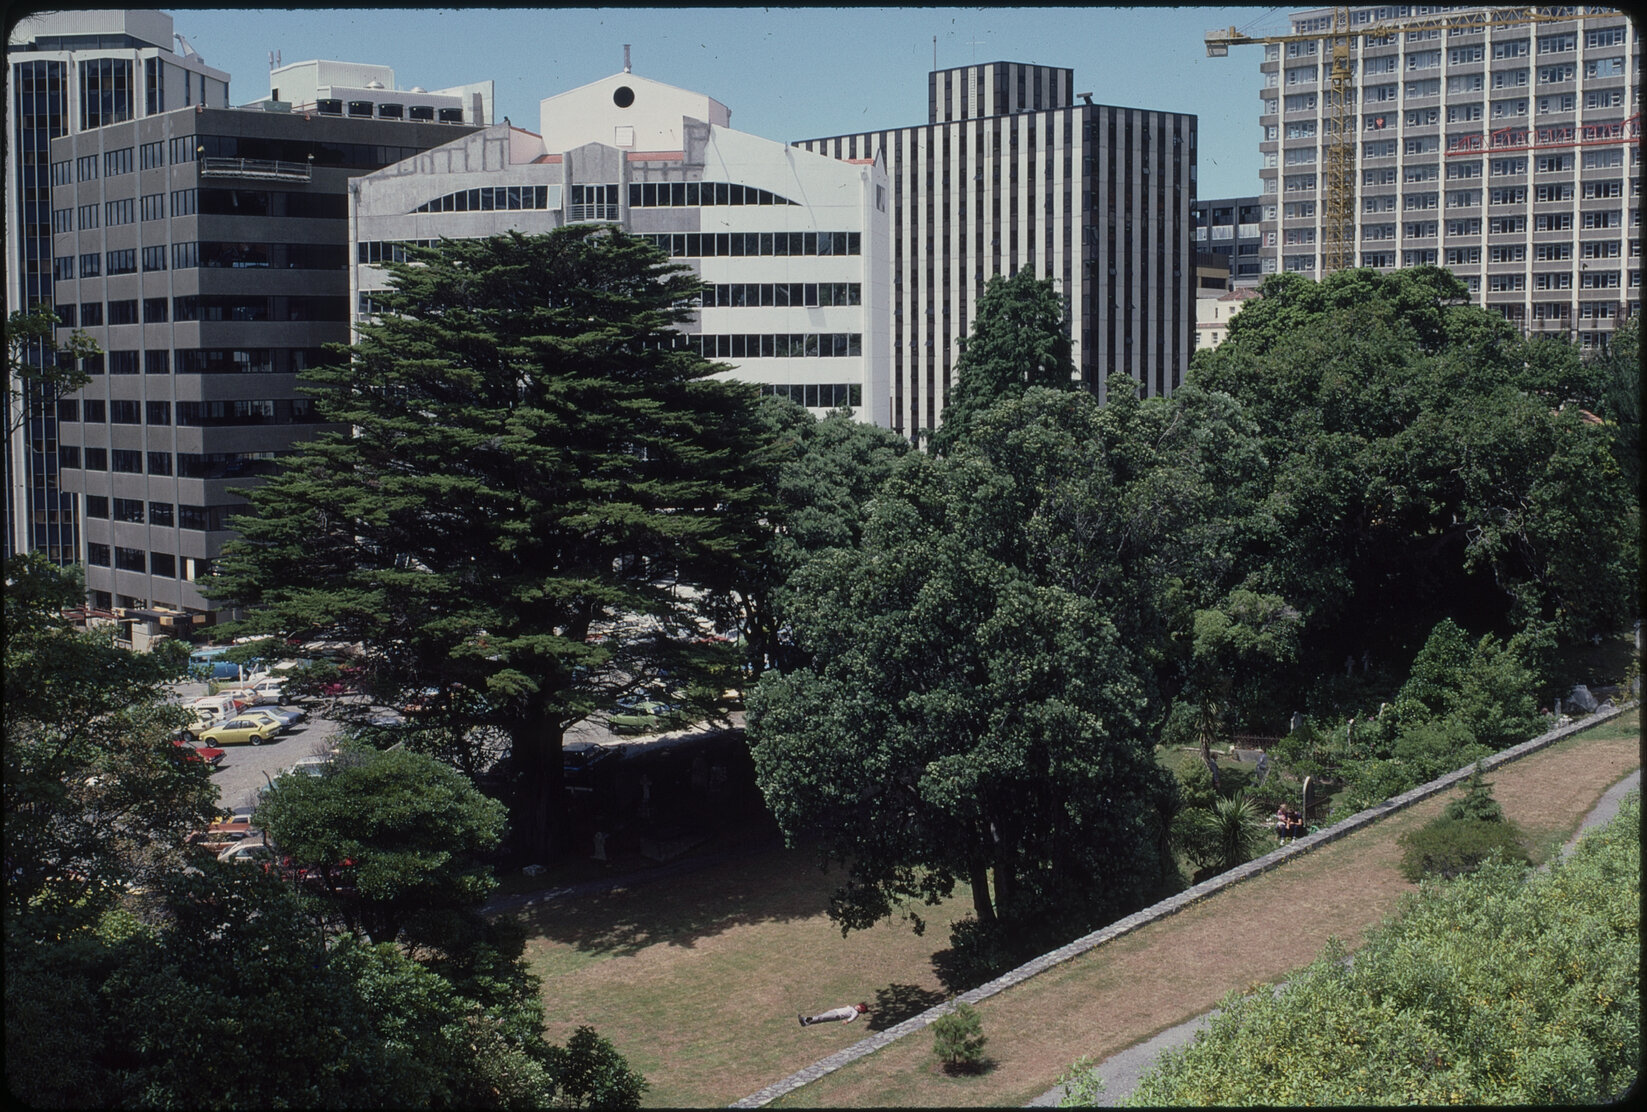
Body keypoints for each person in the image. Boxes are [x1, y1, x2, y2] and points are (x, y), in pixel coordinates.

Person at [800, 1002, 868, 1026]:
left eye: (859, 1006)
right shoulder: (852, 1008)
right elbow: (843, 1009)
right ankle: (806, 1022)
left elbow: (852, 1018)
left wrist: (847, 1021)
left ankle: (805, 1020)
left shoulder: (855, 1012)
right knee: (820, 1018)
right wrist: (833, 1010)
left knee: (820, 1017)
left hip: (837, 1015)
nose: (857, 1005)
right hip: (835, 1012)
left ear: (860, 1009)